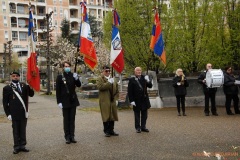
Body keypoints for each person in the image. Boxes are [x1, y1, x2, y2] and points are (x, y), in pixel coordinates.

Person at [2, 71, 34, 154]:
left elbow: (31, 94)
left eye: (17, 76)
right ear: (11, 77)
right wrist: (8, 114)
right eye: (13, 76)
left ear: (19, 77)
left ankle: (22, 145)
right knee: (15, 130)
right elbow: (5, 103)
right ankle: (16, 146)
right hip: (14, 112)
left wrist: (30, 86)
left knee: (23, 129)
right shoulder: (7, 88)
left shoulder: (24, 86)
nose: (15, 77)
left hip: (23, 112)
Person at [56, 61, 81, 144]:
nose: (67, 67)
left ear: (70, 67)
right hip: (64, 101)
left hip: (73, 100)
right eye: (65, 66)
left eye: (68, 66)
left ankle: (72, 136)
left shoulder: (73, 75)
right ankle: (67, 136)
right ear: (63, 67)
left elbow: (78, 85)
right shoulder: (60, 77)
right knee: (66, 120)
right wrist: (59, 102)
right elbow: (58, 91)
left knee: (72, 119)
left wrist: (77, 78)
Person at [128, 67, 152, 133]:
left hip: (144, 99)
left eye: (140, 70)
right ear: (135, 71)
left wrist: (148, 80)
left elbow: (150, 86)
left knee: (145, 114)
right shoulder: (132, 80)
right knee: (137, 114)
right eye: (137, 70)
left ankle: (143, 127)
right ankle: (138, 127)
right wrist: (131, 100)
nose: (139, 71)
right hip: (136, 100)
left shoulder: (144, 78)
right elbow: (130, 91)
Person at [96, 65, 119, 137]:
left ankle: (111, 130)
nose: (108, 72)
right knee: (106, 115)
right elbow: (100, 87)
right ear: (103, 71)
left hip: (112, 100)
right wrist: (109, 83)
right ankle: (106, 131)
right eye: (106, 71)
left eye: (109, 71)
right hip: (105, 100)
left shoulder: (113, 79)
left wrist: (116, 98)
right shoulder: (100, 79)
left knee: (112, 115)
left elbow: (117, 89)